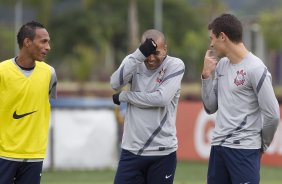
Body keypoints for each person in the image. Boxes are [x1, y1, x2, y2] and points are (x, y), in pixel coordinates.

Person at [201, 13, 280, 184]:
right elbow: (210, 107)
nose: (211, 44)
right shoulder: (221, 65)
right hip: (219, 148)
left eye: (212, 38)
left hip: (244, 150)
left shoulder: (256, 68)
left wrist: (261, 146)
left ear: (223, 37)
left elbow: (272, 115)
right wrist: (206, 75)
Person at [110, 29, 185, 184]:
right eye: (147, 52)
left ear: (165, 49)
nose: (150, 58)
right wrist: (138, 55)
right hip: (131, 150)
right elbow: (114, 84)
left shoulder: (175, 65)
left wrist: (125, 96)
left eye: (156, 52)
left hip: (162, 152)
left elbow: (161, 98)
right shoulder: (134, 61)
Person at [0, 21, 57, 184]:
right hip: (4, 154)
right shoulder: (2, 72)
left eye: (48, 42)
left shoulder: (49, 73)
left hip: (34, 156)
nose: (48, 47)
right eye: (43, 41)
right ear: (27, 42)